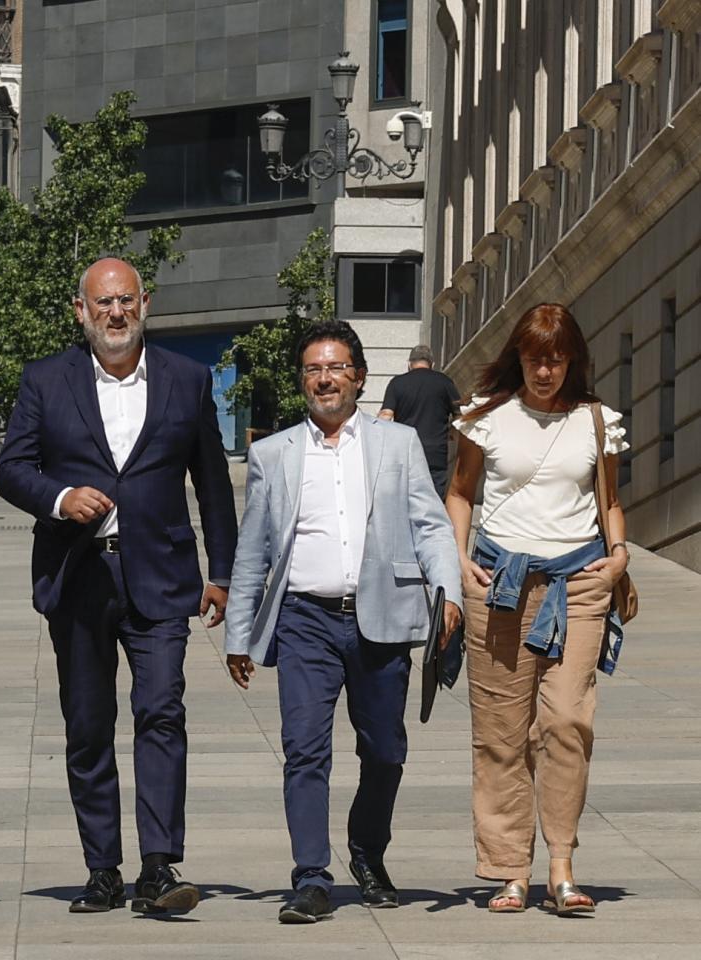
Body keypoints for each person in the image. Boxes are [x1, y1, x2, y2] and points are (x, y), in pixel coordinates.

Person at [0, 257, 237, 916]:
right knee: (88, 725)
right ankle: (103, 867)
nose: (115, 313)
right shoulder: (47, 380)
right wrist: (61, 495)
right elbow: (11, 470)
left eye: (126, 300)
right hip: (78, 576)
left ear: (145, 304)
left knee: (162, 712)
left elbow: (212, 484)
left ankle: (159, 864)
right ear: (82, 312)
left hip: (162, 577)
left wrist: (222, 574)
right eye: (103, 303)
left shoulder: (187, 381)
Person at [224, 321, 462, 924]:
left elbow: (432, 526)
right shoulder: (272, 453)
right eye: (312, 369)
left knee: (385, 749)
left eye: (334, 368)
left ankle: (366, 851)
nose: (323, 379)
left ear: (358, 376)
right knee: (304, 750)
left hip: (383, 619)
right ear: (302, 380)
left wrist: (449, 593)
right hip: (305, 620)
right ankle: (310, 876)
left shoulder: (398, 444)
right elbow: (252, 551)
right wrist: (239, 634)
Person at [446, 303, 630, 917]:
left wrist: (620, 554)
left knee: (566, 721)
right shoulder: (486, 417)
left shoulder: (597, 422)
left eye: (554, 359)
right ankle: (509, 872)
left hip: (578, 584)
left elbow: (609, 500)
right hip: (500, 585)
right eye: (533, 359)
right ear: (517, 358)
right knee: (501, 733)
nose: (544, 371)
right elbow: (461, 493)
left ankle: (561, 866)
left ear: (571, 358)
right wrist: (458, 559)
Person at [378, 344, 462, 495]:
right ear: (432, 364)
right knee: (434, 500)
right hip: (435, 452)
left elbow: (385, 416)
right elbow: (460, 416)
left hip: (405, 450)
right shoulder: (445, 382)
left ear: (409, 364)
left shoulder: (397, 383)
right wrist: (451, 434)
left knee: (405, 499)